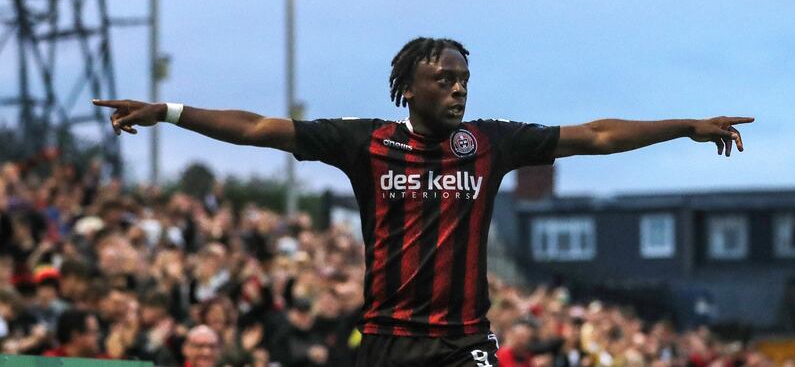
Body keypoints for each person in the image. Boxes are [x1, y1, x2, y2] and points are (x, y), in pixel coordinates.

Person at [94, 36, 753, 367]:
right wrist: (172, 112)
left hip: (463, 341)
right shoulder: (365, 143)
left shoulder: (491, 143)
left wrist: (685, 124)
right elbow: (260, 128)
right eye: (445, 79)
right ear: (409, 88)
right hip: (384, 342)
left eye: (465, 79)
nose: (459, 90)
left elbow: (597, 135)